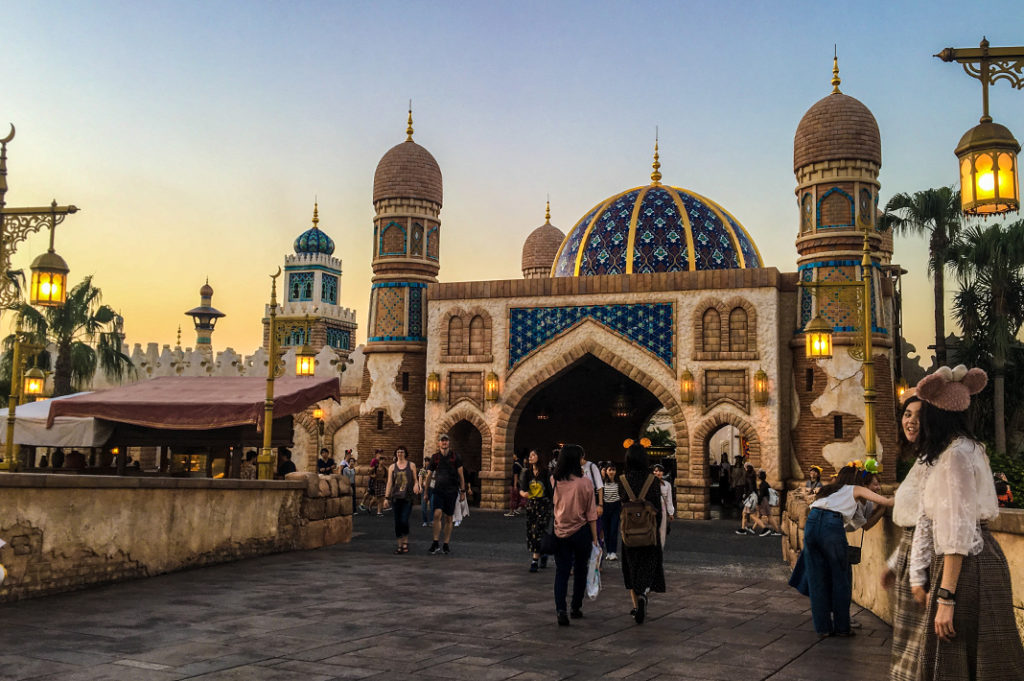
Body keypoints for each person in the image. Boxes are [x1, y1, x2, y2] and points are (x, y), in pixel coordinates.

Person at [907, 365, 1024, 680]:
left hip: (965, 567)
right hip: (987, 557)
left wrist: (946, 597)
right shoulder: (973, 448)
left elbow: (957, 530)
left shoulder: (954, 456)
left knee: (953, 654)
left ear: (936, 415)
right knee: (989, 654)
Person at [803, 463, 893, 637]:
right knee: (841, 577)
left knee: (817, 579)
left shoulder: (828, 490)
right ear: (855, 478)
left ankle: (823, 628)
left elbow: (864, 524)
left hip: (812, 523)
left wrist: (878, 511)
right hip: (831, 524)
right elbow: (886, 501)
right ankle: (842, 627)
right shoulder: (855, 488)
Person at [881, 388, 929, 681]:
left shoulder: (938, 460)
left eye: (919, 415)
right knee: (909, 644)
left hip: (921, 561)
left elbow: (928, 521)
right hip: (910, 555)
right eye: (907, 414)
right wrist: (892, 564)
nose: (910, 421)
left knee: (918, 648)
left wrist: (916, 576)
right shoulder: (922, 460)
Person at [550, 444, 599, 626]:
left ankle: (560, 609)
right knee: (580, 570)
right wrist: (595, 538)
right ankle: (576, 606)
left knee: (561, 572)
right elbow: (591, 513)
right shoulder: (585, 482)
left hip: (560, 530)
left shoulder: (554, 480)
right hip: (581, 531)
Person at [618, 443, 665, 624]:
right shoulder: (652, 480)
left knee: (632, 568)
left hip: (629, 534)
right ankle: (644, 593)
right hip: (648, 533)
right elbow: (658, 510)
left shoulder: (622, 480)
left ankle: (637, 604)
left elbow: (621, 507)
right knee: (649, 566)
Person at [422, 434, 466, 555]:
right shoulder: (435, 457)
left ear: (449, 443)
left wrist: (463, 491)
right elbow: (429, 475)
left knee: (449, 518)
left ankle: (446, 543)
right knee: (437, 514)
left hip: (451, 491)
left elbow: (461, 475)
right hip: (438, 490)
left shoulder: (455, 457)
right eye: (442, 441)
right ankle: (435, 542)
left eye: (446, 440)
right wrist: (425, 492)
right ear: (439, 443)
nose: (444, 443)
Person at [519, 448, 553, 572]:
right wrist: (523, 494)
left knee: (539, 531)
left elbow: (551, 491)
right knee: (531, 532)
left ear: (539, 457)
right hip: (531, 505)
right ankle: (543, 553)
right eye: (529, 455)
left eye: (533, 455)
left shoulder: (546, 473)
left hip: (543, 505)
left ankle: (535, 560)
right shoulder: (526, 473)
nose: (530, 457)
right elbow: (522, 488)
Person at [384, 446, 419, 554]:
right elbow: (389, 482)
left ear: (405, 453)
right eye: (398, 452)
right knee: (397, 522)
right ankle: (400, 544)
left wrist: (416, 485)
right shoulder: (392, 467)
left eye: (402, 452)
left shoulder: (411, 465)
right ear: (396, 454)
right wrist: (386, 498)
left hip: (407, 497)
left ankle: (405, 541)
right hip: (396, 497)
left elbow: (415, 479)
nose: (400, 454)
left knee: (404, 520)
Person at [601, 462, 622, 561]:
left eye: (613, 470)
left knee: (613, 530)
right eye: (610, 470)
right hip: (605, 507)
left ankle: (613, 552)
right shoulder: (602, 482)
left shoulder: (619, 482)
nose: (612, 472)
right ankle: (608, 552)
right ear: (606, 471)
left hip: (615, 507)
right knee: (606, 531)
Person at [652, 463, 675, 548]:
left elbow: (669, 499)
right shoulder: (649, 484)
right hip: (652, 508)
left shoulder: (667, 484)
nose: (658, 473)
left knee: (662, 529)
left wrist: (671, 512)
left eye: (660, 471)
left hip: (663, 508)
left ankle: (660, 548)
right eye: (656, 471)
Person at [755, 470, 783, 537]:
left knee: (769, 516)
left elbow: (761, 495)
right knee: (761, 515)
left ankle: (769, 530)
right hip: (766, 500)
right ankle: (776, 530)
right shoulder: (766, 483)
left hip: (763, 501)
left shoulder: (762, 484)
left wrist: (758, 503)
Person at [506, 453, 526, 517]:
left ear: (515, 455)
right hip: (521, 483)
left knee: (513, 497)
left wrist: (514, 485)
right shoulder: (521, 463)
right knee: (521, 497)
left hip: (516, 483)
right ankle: (518, 509)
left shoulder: (515, 464)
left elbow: (515, 475)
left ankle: (511, 511)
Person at [418, 456, 433, 527]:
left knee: (432, 506)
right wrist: (420, 487)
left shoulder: (433, 470)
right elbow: (420, 479)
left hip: (432, 489)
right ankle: (424, 521)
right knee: (423, 506)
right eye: (426, 461)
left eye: (428, 461)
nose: (427, 462)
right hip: (424, 489)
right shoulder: (422, 470)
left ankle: (431, 521)